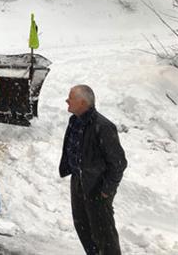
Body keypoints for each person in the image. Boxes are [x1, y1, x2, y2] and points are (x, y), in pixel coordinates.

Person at [60, 85, 127, 255]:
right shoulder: (74, 121)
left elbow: (118, 163)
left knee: (103, 233)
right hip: (78, 181)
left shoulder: (103, 126)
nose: (67, 100)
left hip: (97, 186)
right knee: (82, 226)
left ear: (83, 102)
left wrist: (106, 191)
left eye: (71, 98)